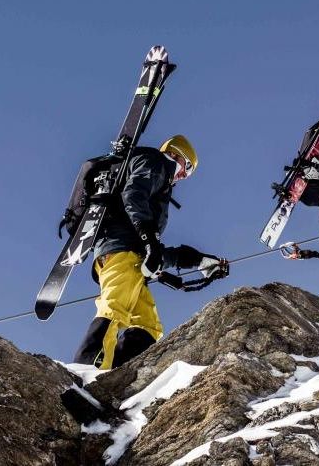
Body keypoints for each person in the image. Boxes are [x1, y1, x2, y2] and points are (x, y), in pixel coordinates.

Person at [73, 135, 229, 368]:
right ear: (177, 155)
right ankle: (86, 369)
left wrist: (200, 262)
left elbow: (155, 255)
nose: (183, 177)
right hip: (119, 249)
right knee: (114, 307)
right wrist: (149, 240)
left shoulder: (159, 178)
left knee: (148, 325)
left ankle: (115, 374)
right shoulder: (155, 162)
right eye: (187, 169)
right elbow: (134, 196)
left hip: (132, 257)